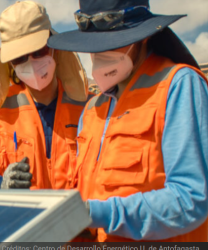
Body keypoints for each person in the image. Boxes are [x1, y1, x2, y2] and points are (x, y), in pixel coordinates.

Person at [48, 0, 208, 242]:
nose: (99, 55)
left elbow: (190, 199)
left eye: (113, 44)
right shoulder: (93, 108)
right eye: (94, 46)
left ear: (142, 37)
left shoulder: (179, 86)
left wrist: (96, 213)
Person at [0, 1, 92, 190]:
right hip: (25, 219)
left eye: (38, 51)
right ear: (10, 63)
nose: (31, 63)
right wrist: (1, 185)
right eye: (20, 58)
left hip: (78, 217)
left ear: (54, 47)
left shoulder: (91, 107)